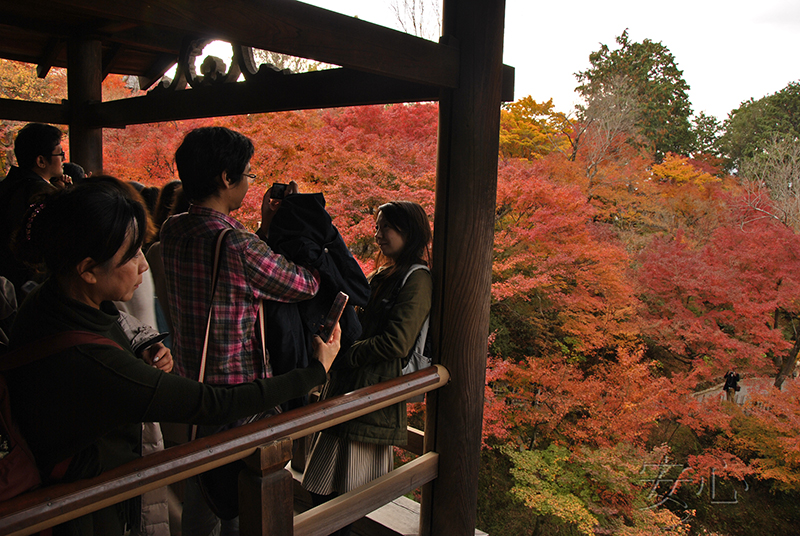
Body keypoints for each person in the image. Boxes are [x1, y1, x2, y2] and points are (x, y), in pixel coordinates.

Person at [5, 182, 340, 536]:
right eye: (131, 255)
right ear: (87, 269)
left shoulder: (47, 301)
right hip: (81, 512)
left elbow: (106, 334)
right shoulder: (90, 361)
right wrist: (314, 371)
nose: (143, 266)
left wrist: (139, 347)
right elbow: (213, 403)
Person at [160, 126, 321, 535]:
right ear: (226, 178)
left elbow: (235, 274)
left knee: (205, 491)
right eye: (248, 173)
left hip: (190, 386)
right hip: (238, 397)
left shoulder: (173, 229)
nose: (251, 181)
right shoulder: (238, 246)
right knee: (234, 502)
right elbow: (304, 284)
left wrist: (264, 226)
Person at [301, 201, 433, 536]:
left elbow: (397, 343)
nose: (378, 235)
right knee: (324, 496)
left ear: (409, 230)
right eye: (377, 227)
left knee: (342, 505)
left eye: (385, 226)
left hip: (369, 400)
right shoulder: (383, 275)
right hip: (348, 392)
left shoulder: (417, 279)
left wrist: (347, 353)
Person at [0, 123, 63, 297]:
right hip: (31, 283)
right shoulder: (44, 195)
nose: (63, 159)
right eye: (60, 154)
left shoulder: (5, 186)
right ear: (41, 161)